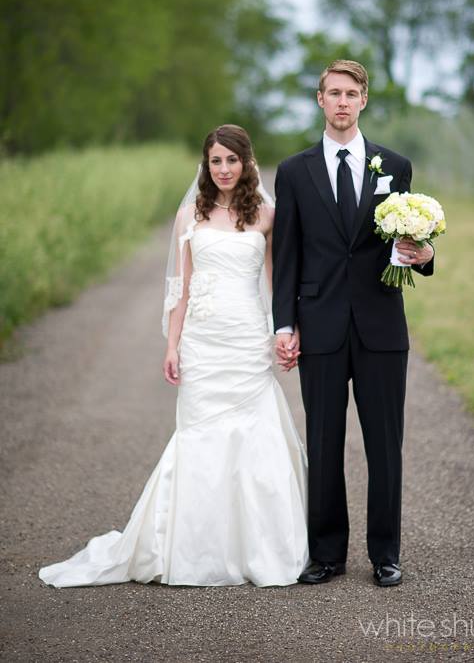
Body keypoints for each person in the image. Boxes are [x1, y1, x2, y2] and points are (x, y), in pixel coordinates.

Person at [39, 124, 308, 588]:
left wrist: (283, 331)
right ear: (206, 165)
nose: (223, 168)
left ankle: (262, 548)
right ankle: (194, 548)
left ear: (246, 163)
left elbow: (274, 282)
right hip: (203, 341)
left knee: (253, 433)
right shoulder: (190, 215)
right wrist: (172, 343)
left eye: (231, 160)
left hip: (246, 339)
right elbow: (179, 288)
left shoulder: (266, 215)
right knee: (200, 436)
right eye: (215, 160)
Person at [272, 60, 434, 587]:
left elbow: (405, 247)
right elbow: (287, 255)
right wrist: (284, 324)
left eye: (351, 93)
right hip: (319, 323)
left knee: (386, 444)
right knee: (323, 440)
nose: (342, 102)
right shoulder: (294, 172)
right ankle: (326, 554)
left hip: (381, 325)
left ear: (363, 101)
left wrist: (424, 253)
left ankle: (386, 554)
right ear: (320, 100)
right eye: (333, 93)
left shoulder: (395, 165)